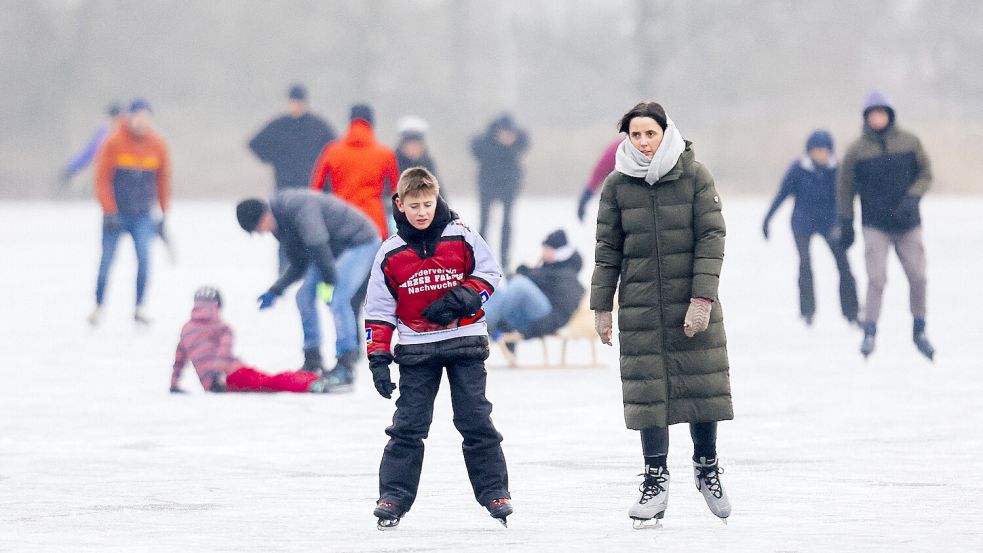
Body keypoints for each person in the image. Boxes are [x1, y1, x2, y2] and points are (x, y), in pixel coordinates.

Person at [591, 102, 733, 527]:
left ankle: (707, 468)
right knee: (648, 392)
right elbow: (607, 250)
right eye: (635, 135)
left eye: (650, 134)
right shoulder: (617, 185)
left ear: (665, 132)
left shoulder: (694, 176)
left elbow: (712, 237)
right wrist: (602, 306)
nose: (643, 142)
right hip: (639, 303)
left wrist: (702, 299)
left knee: (702, 384)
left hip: (690, 300)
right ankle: (655, 480)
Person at [364, 167, 512, 529]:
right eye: (413, 205)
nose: (421, 212)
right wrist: (378, 359)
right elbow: (379, 310)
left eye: (427, 204)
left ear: (437, 198)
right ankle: (393, 496)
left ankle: (495, 491)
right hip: (417, 351)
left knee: (474, 419)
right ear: (399, 204)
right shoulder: (390, 252)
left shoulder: (461, 235)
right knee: (409, 426)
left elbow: (490, 274)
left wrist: (459, 299)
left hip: (464, 343)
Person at [235, 190, 380, 383]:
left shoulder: (297, 207)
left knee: (339, 297)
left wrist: (329, 284)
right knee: (303, 296)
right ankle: (313, 358)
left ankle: (347, 363)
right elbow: (299, 264)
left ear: (265, 213)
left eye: (258, 227)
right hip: (331, 251)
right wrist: (275, 290)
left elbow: (318, 244)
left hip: (359, 242)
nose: (261, 233)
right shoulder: (279, 226)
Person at [837, 91, 935, 361]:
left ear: (890, 115)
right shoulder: (856, 150)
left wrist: (913, 197)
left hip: (908, 223)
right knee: (877, 279)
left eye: (882, 113)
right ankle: (870, 330)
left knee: (918, 276)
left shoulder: (910, 142)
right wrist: (846, 221)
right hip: (875, 225)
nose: (877, 118)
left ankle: (919, 327)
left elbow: (926, 173)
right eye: (872, 114)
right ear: (866, 118)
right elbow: (844, 188)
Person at [762, 130, 859, 326]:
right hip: (802, 223)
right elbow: (782, 194)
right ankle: (807, 312)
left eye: (824, 151)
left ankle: (852, 312)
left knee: (843, 265)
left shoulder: (838, 169)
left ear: (830, 151)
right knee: (805, 264)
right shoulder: (798, 168)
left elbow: (848, 197)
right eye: (816, 151)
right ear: (809, 152)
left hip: (830, 223)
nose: (820, 155)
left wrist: (847, 223)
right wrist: (768, 219)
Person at [88, 99, 171, 326]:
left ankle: (140, 307)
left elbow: (163, 180)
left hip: (143, 215)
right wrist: (109, 210)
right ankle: (98, 306)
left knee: (145, 260)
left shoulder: (158, 143)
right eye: (139, 118)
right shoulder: (113, 142)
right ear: (130, 117)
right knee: (107, 261)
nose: (143, 123)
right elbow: (101, 179)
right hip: (116, 214)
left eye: (147, 119)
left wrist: (164, 212)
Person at [169, 287, 333, 393]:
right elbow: (223, 352)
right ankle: (313, 383)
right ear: (216, 306)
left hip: (217, 383)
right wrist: (217, 374)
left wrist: (174, 384)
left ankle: (311, 380)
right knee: (273, 382)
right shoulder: (222, 328)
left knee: (268, 383)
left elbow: (179, 359)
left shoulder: (186, 329)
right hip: (230, 374)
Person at [248, 84, 337, 273]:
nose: (295, 106)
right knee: (284, 233)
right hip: (284, 190)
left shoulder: (318, 126)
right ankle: (284, 272)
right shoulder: (279, 125)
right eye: (292, 102)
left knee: (313, 233)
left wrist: (325, 175)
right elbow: (254, 144)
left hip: (311, 190)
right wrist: (273, 157)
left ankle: (313, 271)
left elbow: (334, 151)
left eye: (298, 102)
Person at [309, 103, 399, 240]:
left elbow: (315, 189)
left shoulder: (332, 151)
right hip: (374, 222)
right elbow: (396, 191)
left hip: (340, 220)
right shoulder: (385, 154)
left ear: (350, 122)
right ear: (372, 123)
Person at [483, 229, 585, 340]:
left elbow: (561, 315)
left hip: (543, 318)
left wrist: (528, 331)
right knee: (498, 291)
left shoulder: (568, 278)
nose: (543, 252)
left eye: (547, 249)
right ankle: (475, 316)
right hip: (527, 312)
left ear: (557, 252)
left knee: (519, 285)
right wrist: (524, 271)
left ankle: (481, 322)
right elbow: (539, 279)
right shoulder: (550, 267)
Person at [471, 114, 529, 270]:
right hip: (487, 185)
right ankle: (481, 256)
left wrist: (513, 141)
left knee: (507, 222)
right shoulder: (486, 141)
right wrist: (496, 142)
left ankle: (505, 259)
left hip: (508, 186)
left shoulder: (517, 141)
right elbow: (474, 146)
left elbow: (526, 142)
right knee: (484, 221)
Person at [61, 101, 125, 191]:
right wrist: (70, 170)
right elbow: (88, 154)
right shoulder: (101, 134)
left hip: (123, 180)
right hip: (104, 179)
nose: (113, 122)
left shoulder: (128, 135)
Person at [575, 136, 622, 221]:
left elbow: (596, 176)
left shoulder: (618, 146)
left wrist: (583, 201)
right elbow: (598, 174)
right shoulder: (618, 147)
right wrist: (584, 200)